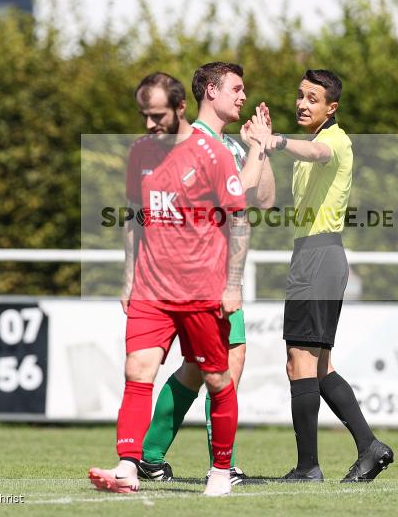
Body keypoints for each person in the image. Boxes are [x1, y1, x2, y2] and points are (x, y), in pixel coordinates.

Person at [88, 72, 249, 497]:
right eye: (143, 115)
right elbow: (133, 215)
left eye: (157, 115)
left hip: (201, 291)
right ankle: (127, 465)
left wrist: (233, 284)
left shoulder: (211, 154)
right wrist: (128, 278)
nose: (148, 124)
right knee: (137, 371)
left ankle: (220, 470)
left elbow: (240, 217)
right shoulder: (140, 151)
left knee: (216, 379)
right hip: (151, 290)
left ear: (180, 109)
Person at [252, 69, 394, 482]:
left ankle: (308, 467)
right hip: (310, 257)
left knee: (300, 362)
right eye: (299, 96)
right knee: (316, 366)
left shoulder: (335, 140)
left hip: (320, 256)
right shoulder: (306, 146)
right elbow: (266, 198)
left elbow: (318, 155)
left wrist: (277, 141)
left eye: (312, 99)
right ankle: (370, 447)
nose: (302, 103)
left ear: (331, 108)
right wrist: (259, 150)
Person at [137, 62, 274, 486]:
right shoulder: (197, 141)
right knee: (225, 364)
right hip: (202, 274)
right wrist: (255, 151)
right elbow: (236, 190)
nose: (243, 96)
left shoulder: (228, 144)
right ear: (210, 91)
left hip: (209, 272)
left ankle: (149, 456)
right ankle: (223, 466)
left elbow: (263, 199)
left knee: (197, 370)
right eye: (236, 88)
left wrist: (261, 147)